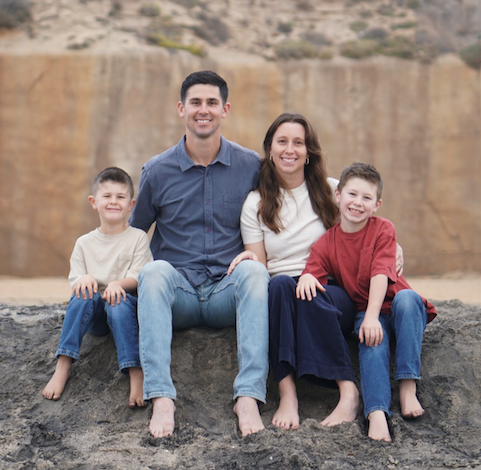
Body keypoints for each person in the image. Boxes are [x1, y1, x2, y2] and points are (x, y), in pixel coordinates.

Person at [129, 71, 270, 438]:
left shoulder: (250, 165)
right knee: (153, 271)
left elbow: (297, 191)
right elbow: (132, 236)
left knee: (256, 271)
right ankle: (162, 397)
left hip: (227, 290)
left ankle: (248, 396)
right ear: (182, 109)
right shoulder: (156, 171)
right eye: (195, 102)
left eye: (211, 102)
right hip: (178, 295)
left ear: (225, 109)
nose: (203, 110)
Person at [229, 112, 366, 431]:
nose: (289, 149)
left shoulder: (332, 191)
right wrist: (247, 260)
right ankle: (287, 394)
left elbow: (368, 227)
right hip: (283, 294)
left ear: (308, 152)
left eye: (298, 143)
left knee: (308, 292)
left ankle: (348, 392)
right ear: (270, 149)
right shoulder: (255, 203)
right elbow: (260, 266)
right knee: (278, 286)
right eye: (282, 142)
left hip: (331, 291)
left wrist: (393, 247)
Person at [297, 162, 437, 442]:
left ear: (377, 205)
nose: (358, 203)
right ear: (338, 195)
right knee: (371, 342)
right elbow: (312, 273)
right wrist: (307, 277)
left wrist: (372, 317)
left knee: (407, 299)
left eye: (367, 197)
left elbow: (380, 274)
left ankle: (407, 386)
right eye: (352, 194)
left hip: (399, 308)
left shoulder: (383, 229)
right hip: (367, 311)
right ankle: (377, 413)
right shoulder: (326, 243)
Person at [42, 167, 153, 408]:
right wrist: (84, 279)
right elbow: (76, 279)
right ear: (94, 202)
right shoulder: (84, 243)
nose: (113, 201)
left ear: (131, 205)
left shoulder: (137, 238)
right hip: (95, 318)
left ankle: (135, 372)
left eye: (120, 197)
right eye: (107, 196)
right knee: (84, 295)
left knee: (118, 301)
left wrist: (117, 284)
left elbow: (139, 277)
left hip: (124, 312)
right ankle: (64, 364)